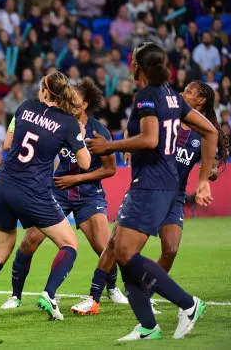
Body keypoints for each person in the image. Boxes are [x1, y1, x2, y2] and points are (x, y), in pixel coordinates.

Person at [86, 42, 217, 341]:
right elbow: (210, 130)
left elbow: (149, 139)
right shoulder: (172, 95)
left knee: (126, 254)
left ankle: (188, 303)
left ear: (138, 67)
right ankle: (147, 325)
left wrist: (110, 146)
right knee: (123, 253)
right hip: (167, 182)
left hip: (151, 182)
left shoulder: (148, 95)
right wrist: (202, 180)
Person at [0, 71, 91, 323]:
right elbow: (85, 163)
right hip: (33, 191)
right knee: (69, 244)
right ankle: (49, 293)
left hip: (3, 185)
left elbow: (7, 144)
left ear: (44, 90)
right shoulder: (68, 122)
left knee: (1, 250)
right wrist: (76, 140)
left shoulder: (23, 108)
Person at [0, 80, 128, 313]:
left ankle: (112, 288)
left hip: (89, 194)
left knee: (103, 246)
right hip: (58, 191)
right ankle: (15, 295)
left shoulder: (99, 131)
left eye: (74, 101)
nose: (68, 102)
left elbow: (110, 169)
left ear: (85, 104)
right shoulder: (60, 123)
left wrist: (76, 179)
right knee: (30, 241)